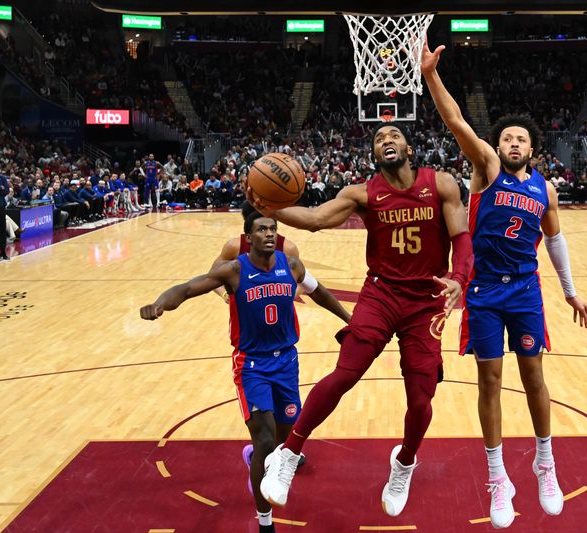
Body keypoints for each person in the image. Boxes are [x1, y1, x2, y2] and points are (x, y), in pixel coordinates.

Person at [256, 122, 473, 517]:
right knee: (346, 372)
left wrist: (459, 278)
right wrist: (268, 208)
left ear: (409, 147)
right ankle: (287, 455)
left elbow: (461, 238)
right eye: (378, 138)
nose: (386, 140)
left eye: (394, 135)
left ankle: (404, 462)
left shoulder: (440, 184)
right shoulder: (362, 194)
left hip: (426, 301)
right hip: (381, 294)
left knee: (422, 397)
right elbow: (316, 218)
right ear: (373, 154)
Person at [422, 40, 587, 529]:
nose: (514, 143)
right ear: (498, 147)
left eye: (521, 139)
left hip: (525, 290)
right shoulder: (486, 170)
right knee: (490, 380)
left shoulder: (547, 189)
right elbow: (456, 121)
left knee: (535, 377)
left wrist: (570, 290)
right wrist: (432, 75)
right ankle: (498, 477)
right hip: (483, 292)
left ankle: (545, 463)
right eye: (507, 138)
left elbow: (554, 242)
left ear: (532, 148)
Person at [140, 214, 350, 533]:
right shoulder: (234, 271)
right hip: (252, 365)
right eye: (261, 229)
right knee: (266, 440)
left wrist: (350, 319)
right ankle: (265, 522)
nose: (268, 234)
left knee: (285, 440)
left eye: (272, 229)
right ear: (248, 238)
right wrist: (160, 303)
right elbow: (187, 288)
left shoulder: (291, 265)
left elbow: (319, 291)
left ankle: (256, 453)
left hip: (287, 363)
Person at [211, 201, 300, 302]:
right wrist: (225, 295)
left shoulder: (288, 248)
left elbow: (303, 283)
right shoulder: (234, 246)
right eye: (261, 229)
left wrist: (290, 296)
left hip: (281, 316)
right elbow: (211, 277)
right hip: (243, 316)